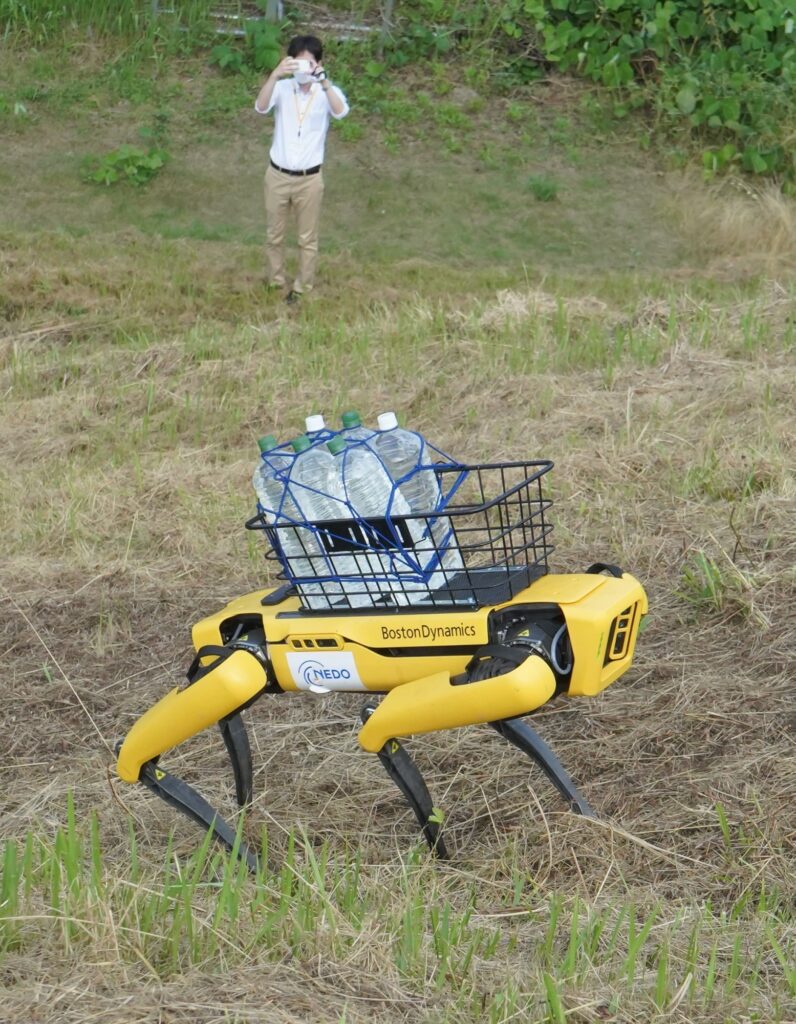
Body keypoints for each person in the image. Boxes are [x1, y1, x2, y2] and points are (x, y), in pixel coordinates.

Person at [255, 35, 350, 303]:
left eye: (308, 64)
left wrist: (324, 81)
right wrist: (274, 75)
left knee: (307, 238)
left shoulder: (326, 92)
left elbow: (341, 111)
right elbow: (261, 107)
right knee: (274, 234)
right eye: (297, 63)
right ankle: (275, 280)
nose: (302, 70)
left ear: (319, 63)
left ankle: (302, 286)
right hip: (277, 175)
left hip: (309, 178)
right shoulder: (283, 88)